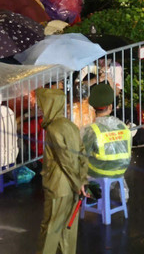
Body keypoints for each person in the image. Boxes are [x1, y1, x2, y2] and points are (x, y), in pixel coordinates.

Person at [35, 88, 87, 254]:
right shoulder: (70, 125)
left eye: (41, 105)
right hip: (73, 186)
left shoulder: (53, 129)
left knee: (51, 227)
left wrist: (78, 182)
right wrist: (82, 181)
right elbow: (82, 154)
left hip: (59, 186)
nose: (39, 108)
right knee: (68, 228)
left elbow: (65, 159)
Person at [82, 82, 131, 179]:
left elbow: (82, 154)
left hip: (98, 172)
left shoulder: (91, 129)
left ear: (93, 108)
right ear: (110, 106)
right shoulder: (122, 125)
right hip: (121, 170)